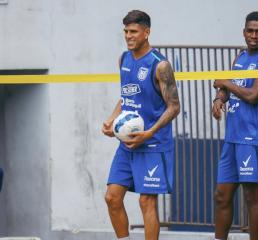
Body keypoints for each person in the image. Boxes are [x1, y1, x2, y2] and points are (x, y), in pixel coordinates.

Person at [102, 10, 180, 240]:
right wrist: (112, 119)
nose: (128, 36)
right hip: (127, 144)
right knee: (112, 197)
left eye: (133, 31)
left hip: (153, 143)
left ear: (147, 32)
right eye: (126, 31)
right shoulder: (123, 59)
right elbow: (126, 96)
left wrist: (149, 133)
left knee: (146, 201)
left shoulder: (160, 65)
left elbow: (174, 106)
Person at [212, 11, 258, 240]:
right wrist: (219, 99)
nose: (254, 35)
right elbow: (228, 87)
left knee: (252, 196)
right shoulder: (239, 57)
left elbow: (253, 95)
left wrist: (225, 83)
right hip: (232, 136)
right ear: (244, 32)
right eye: (250, 31)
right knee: (221, 195)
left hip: (253, 138)